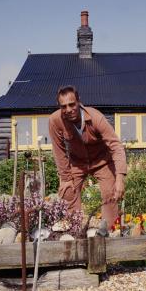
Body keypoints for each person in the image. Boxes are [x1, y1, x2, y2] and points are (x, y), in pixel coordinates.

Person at [49, 85, 127, 228]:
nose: (68, 110)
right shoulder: (55, 121)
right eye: (64, 106)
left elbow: (116, 146)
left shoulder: (96, 117)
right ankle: (74, 232)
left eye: (72, 104)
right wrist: (66, 179)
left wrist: (120, 178)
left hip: (102, 161)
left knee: (111, 193)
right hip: (77, 163)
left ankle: (109, 232)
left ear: (79, 101)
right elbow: (59, 151)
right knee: (67, 192)